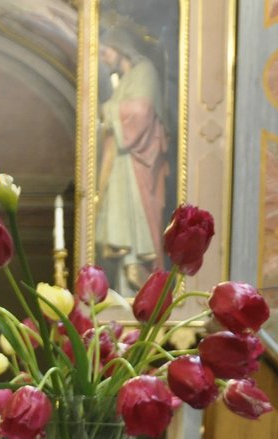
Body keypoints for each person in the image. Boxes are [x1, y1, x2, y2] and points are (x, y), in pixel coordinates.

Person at [95, 28, 171, 291]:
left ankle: (141, 275)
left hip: (140, 159)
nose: (104, 59)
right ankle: (129, 276)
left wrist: (108, 110)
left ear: (120, 46)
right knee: (124, 223)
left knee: (141, 219)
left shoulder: (144, 70)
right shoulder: (127, 77)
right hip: (124, 161)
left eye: (105, 52)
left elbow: (141, 112)